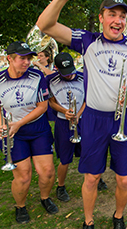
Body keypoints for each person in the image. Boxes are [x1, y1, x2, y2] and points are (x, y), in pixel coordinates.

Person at [36, 0, 127, 229]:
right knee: (92, 177)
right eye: (112, 14)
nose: (118, 20)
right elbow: (45, 25)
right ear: (102, 18)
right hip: (93, 119)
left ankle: (119, 217)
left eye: (122, 16)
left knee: (124, 180)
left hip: (125, 119)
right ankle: (88, 222)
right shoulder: (87, 40)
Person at [0, 41, 58, 224]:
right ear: (9, 58)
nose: (26, 62)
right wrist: (1, 125)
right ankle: (20, 206)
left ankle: (45, 198)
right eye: (22, 58)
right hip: (13, 133)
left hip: (38, 129)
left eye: (29, 58)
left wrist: (19, 123)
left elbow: (42, 106)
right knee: (23, 174)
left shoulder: (37, 76)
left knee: (48, 172)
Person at [46, 52, 85, 202]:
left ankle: (95, 177)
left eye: (70, 72)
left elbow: (87, 100)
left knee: (88, 152)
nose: (68, 75)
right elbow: (51, 102)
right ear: (56, 68)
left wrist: (78, 114)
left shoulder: (83, 78)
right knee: (65, 158)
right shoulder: (51, 80)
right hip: (63, 122)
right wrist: (64, 111)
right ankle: (60, 186)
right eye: (65, 73)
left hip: (82, 120)